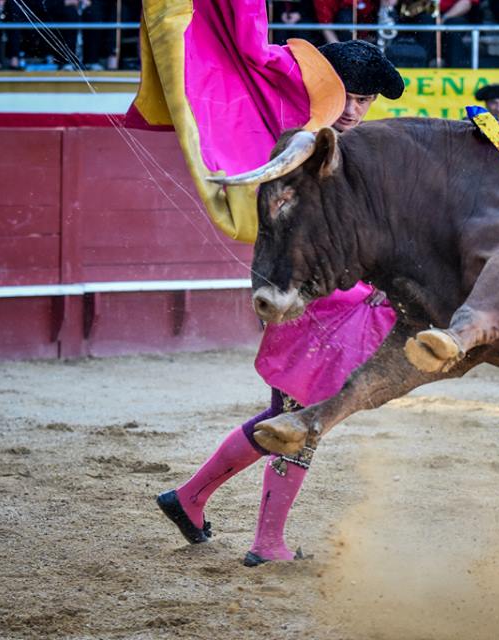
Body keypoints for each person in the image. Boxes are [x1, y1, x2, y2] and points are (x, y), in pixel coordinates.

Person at [156, 40, 405, 567]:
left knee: (288, 416)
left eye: (364, 100)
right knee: (300, 421)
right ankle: (263, 541)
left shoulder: (349, 149)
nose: (354, 110)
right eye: (346, 96)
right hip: (308, 302)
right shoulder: (301, 145)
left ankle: (190, 498)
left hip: (341, 302)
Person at [315, 0, 379, 43]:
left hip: (369, 37)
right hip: (340, 37)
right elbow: (325, 25)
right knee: (345, 15)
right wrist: (340, 50)